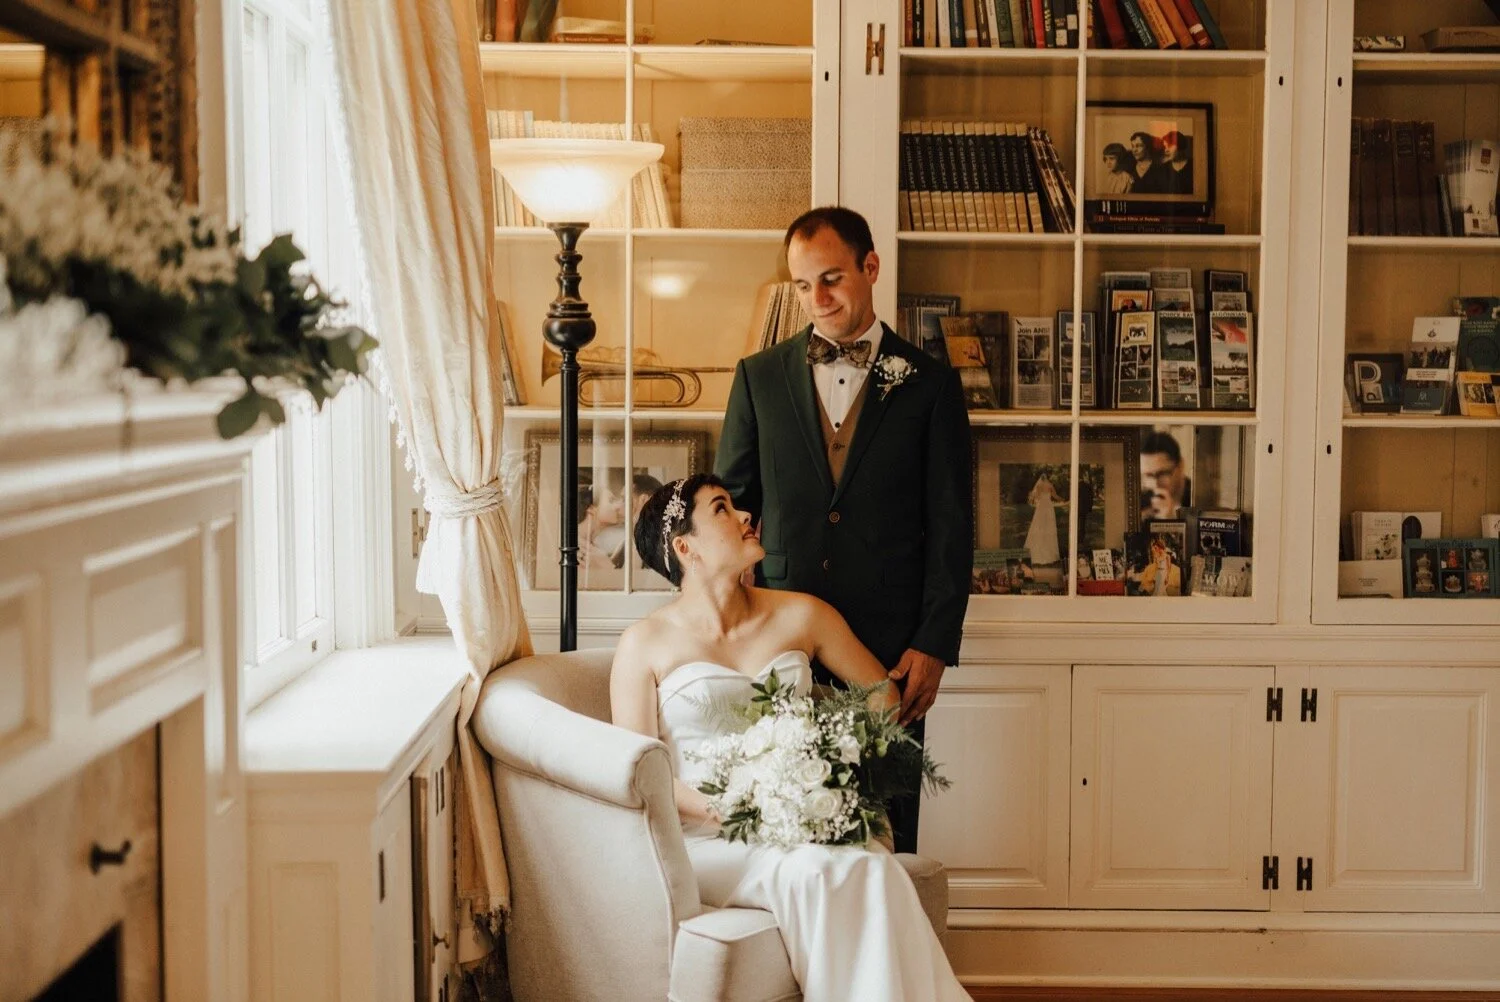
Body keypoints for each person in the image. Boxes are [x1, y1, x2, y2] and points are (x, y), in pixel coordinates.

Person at [611, 475, 970, 1002]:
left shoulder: (802, 613)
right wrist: (735, 808)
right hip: (707, 840)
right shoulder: (642, 644)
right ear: (686, 548)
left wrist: (834, 765)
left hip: (803, 820)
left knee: (873, 870)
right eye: (721, 509)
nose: (745, 516)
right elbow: (642, 775)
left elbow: (883, 700)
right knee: (821, 872)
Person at [716, 205, 973, 853]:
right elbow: (731, 514)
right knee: (784, 828)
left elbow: (952, 526)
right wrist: (726, 627)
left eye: (831, 279)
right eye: (803, 285)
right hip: (780, 646)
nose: (818, 299)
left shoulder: (932, 386)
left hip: (891, 650)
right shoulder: (758, 378)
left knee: (888, 830)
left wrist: (934, 643)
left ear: (871, 267)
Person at [1139, 430, 1193, 520]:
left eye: (1162, 474)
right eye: (1148, 475)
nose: (1155, 484)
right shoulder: (1140, 502)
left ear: (1181, 466)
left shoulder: (1197, 497)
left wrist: (1170, 521)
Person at [1023, 473, 1065, 566]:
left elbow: (1037, 497)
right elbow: (1055, 496)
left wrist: (1038, 499)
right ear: (1047, 478)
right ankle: (1049, 553)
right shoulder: (1050, 485)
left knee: (1039, 526)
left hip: (1041, 507)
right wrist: (1062, 499)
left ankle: (1036, 551)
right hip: (1049, 507)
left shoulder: (1038, 485)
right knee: (1049, 527)